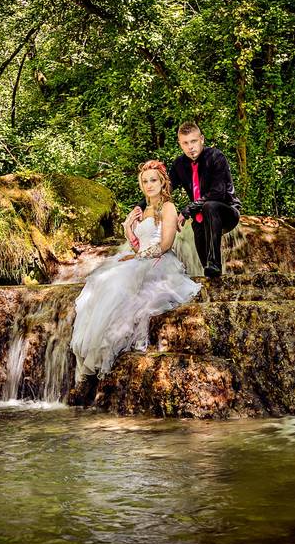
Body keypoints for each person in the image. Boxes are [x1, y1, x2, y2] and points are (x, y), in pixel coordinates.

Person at [70, 160, 201, 383]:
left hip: (160, 261)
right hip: (142, 258)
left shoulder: (168, 207)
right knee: (102, 280)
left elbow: (166, 244)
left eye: (153, 180)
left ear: (162, 182)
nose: (149, 185)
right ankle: (95, 349)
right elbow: (137, 245)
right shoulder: (142, 210)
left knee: (120, 283)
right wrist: (128, 229)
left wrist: (140, 256)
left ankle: (106, 345)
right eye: (144, 181)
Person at [128, 122, 240, 278]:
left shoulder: (216, 157)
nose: (190, 147)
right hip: (200, 217)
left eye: (193, 141)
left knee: (210, 206)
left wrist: (187, 210)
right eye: (185, 143)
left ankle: (215, 262)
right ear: (180, 144)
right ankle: (212, 273)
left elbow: (218, 193)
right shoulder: (180, 164)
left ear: (201, 139)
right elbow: (165, 188)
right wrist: (139, 208)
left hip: (225, 212)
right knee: (207, 267)